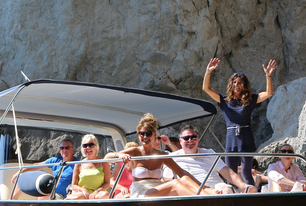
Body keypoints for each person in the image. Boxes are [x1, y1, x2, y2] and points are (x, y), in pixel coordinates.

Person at [202, 57, 278, 186]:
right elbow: (206, 88)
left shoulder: (250, 100)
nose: (237, 85)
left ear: (244, 85)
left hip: (246, 137)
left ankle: (252, 196)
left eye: (240, 83)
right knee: (230, 173)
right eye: (235, 82)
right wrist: (208, 71)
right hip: (231, 137)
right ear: (231, 84)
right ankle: (231, 199)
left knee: (246, 171)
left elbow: (269, 93)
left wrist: (268, 76)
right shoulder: (225, 101)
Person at [118, 114, 205, 197]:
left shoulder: (162, 155)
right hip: (141, 192)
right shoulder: (135, 151)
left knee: (185, 179)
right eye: (142, 134)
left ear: (154, 135)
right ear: (138, 135)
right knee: (175, 183)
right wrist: (120, 155)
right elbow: (112, 155)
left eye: (148, 133)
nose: (145, 136)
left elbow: (181, 172)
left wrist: (203, 186)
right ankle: (204, 203)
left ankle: (207, 194)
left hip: (158, 190)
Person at [162, 126, 256, 193]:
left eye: (193, 137)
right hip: (193, 192)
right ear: (180, 141)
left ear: (198, 139)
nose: (190, 140)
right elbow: (168, 180)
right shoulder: (173, 157)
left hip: (219, 190)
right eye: (186, 138)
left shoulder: (209, 152)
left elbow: (227, 172)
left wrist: (242, 185)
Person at [11, 138, 78, 199]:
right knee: (23, 178)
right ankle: (11, 204)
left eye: (67, 147)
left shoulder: (78, 164)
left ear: (73, 149)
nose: (64, 150)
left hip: (64, 196)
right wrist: (20, 172)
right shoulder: (55, 160)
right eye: (62, 148)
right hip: (51, 191)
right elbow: (36, 166)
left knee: (42, 197)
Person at [67, 134, 111, 199]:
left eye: (91, 145)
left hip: (98, 194)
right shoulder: (79, 164)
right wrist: (83, 190)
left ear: (96, 146)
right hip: (83, 194)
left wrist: (97, 191)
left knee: (106, 195)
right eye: (85, 145)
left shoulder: (104, 163)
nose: (88, 148)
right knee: (75, 198)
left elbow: (107, 183)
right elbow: (73, 185)